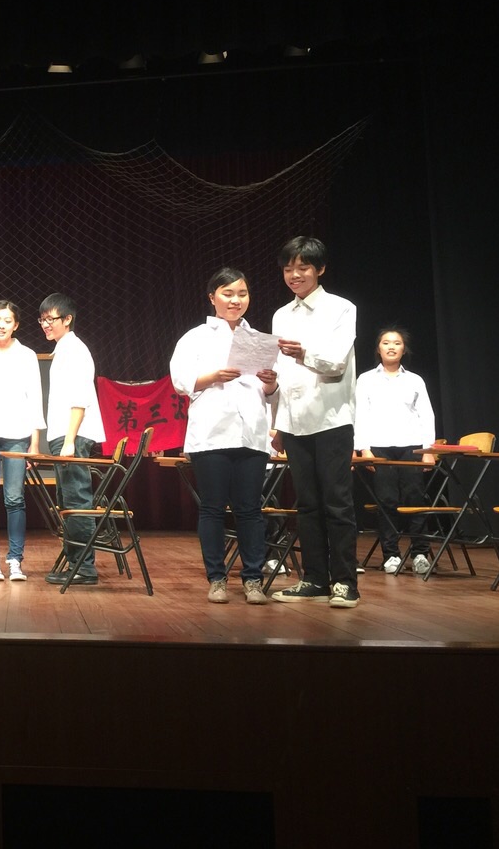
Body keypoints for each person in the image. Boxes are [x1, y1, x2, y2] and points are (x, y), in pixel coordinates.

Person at [169, 269, 278, 605]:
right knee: (213, 508)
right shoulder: (195, 337)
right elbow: (180, 382)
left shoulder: (259, 338)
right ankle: (216, 579)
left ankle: (253, 579)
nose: (235, 300)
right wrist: (214, 376)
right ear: (212, 297)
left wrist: (271, 383)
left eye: (242, 294)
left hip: (252, 434)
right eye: (228, 293)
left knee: (250, 509)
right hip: (212, 434)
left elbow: (271, 392)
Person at [269, 236, 361, 608]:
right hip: (294, 422)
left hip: (331, 418)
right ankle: (314, 579)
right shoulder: (281, 315)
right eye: (288, 268)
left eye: (303, 267)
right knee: (306, 504)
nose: (294, 275)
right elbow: (282, 373)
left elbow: (336, 363)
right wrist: (277, 417)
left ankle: (345, 582)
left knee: (337, 502)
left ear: (320, 269)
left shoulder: (341, 308)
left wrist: (303, 352)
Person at [354, 326, 436, 575]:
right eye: (386, 343)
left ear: (404, 349)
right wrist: (364, 448)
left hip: (411, 446)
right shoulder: (366, 379)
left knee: (415, 499)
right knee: (386, 501)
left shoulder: (415, 380)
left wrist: (428, 449)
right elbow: (360, 415)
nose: (391, 347)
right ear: (378, 349)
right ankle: (391, 554)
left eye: (397, 343)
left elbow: (426, 415)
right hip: (380, 446)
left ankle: (420, 553)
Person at [38, 293, 106, 587]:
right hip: (65, 435)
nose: (45, 324)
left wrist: (69, 440)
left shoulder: (75, 349)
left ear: (68, 319)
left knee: (77, 501)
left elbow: (80, 399)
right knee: (67, 501)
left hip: (72, 436)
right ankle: (76, 562)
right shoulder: (63, 349)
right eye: (42, 319)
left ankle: (84, 568)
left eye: (50, 319)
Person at [0, 300, 43, 582]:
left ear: (16, 325)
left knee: (15, 498)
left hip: (18, 435)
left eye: (7, 320)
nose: (1, 325)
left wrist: (34, 443)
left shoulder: (27, 355)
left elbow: (35, 398)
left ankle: (15, 560)